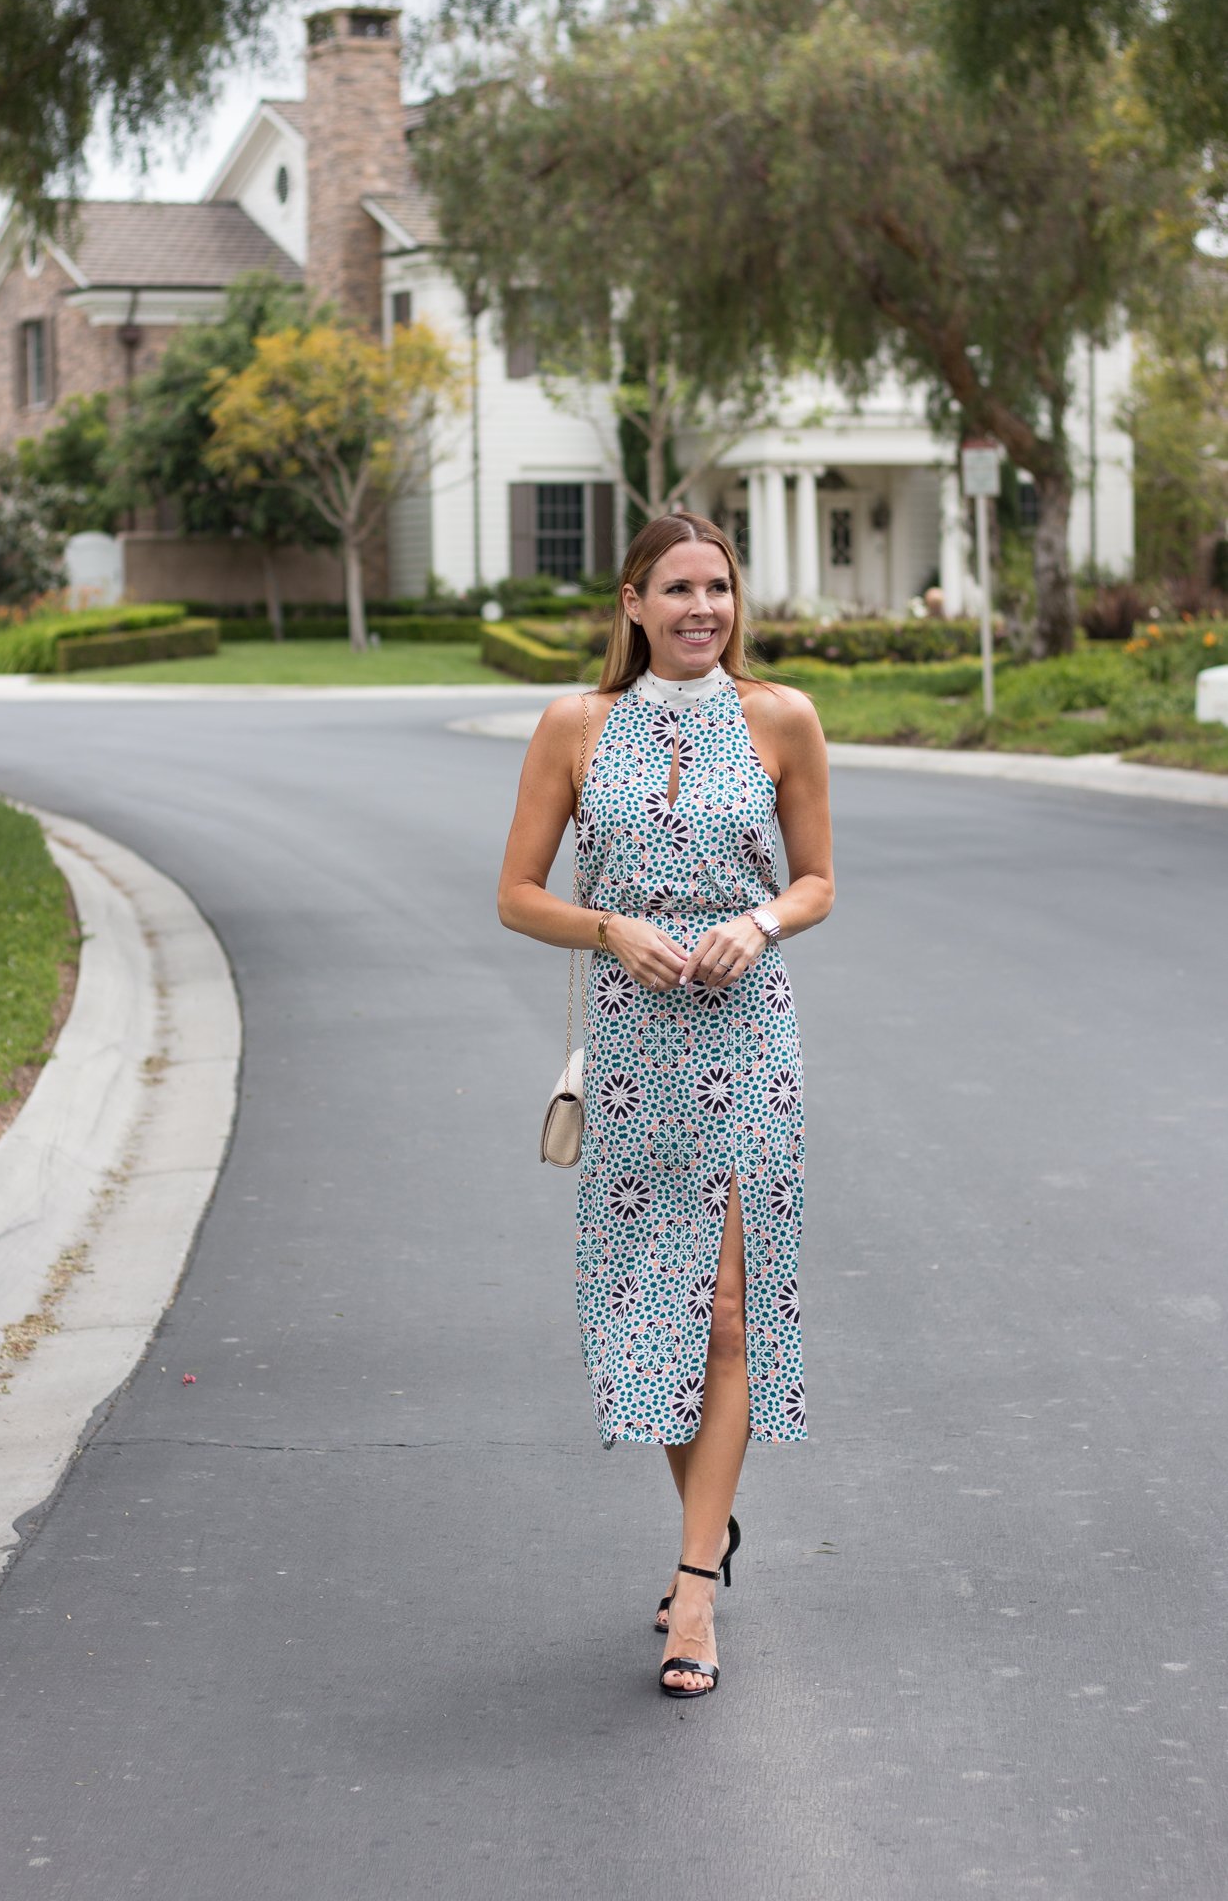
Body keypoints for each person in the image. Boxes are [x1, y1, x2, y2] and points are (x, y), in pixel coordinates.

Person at [498, 510, 835, 1697]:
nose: (704, 609)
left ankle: (696, 1589)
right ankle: (711, 1520)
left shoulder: (781, 716)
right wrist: (609, 928)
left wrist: (759, 920)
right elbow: (516, 893)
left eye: (721, 588)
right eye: (679, 589)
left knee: (731, 1311)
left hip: (748, 1037)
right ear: (633, 603)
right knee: (659, 1316)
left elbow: (818, 878)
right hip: (638, 1049)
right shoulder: (575, 725)